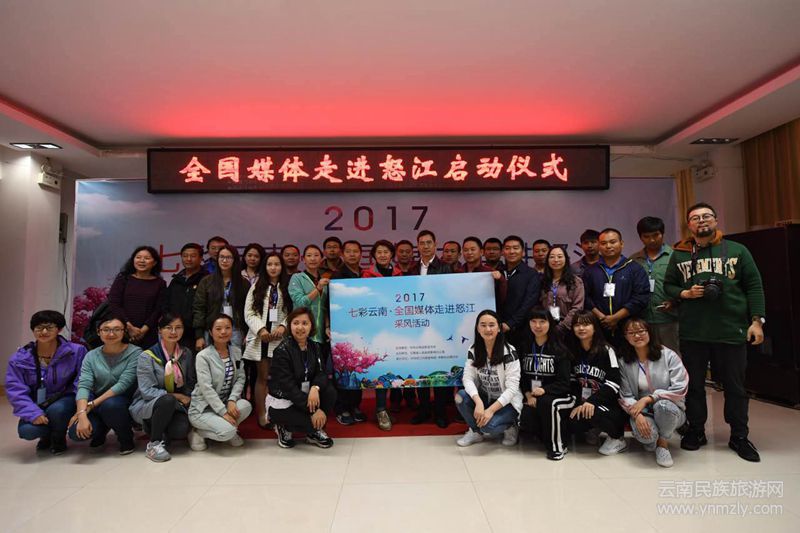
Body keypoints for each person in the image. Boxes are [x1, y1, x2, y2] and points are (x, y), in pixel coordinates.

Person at [663, 202, 765, 462]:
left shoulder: (737, 250)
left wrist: (757, 321)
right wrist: (685, 293)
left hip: (731, 330)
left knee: (735, 387)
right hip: (693, 331)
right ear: (689, 225)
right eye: (695, 218)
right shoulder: (680, 253)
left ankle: (739, 436)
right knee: (694, 386)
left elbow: (754, 285)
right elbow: (669, 286)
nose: (702, 220)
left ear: (716, 220)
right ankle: (696, 430)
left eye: (706, 216)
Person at [6, 310, 87, 455]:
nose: (43, 332)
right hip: (37, 402)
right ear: (33, 330)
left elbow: (82, 381)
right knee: (27, 431)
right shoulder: (20, 358)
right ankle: (46, 435)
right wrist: (32, 413)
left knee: (57, 410)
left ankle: (58, 437)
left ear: (59, 329)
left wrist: (80, 407)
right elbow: (15, 389)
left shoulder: (76, 351)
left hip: (66, 398)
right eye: (39, 328)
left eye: (49, 327)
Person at [618, 318, 688, 468]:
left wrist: (650, 398)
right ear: (626, 337)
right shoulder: (624, 362)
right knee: (647, 437)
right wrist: (637, 415)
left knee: (663, 406)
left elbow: (680, 388)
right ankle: (652, 438)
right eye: (632, 333)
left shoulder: (668, 355)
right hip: (642, 410)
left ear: (649, 332)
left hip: (670, 408)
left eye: (641, 331)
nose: (637, 335)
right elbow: (625, 395)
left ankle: (663, 444)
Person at [129, 313, 197, 462]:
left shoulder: (186, 353)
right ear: (160, 330)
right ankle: (153, 444)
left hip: (177, 406)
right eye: (168, 328)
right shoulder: (147, 356)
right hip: (148, 403)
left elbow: (190, 383)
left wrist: (189, 399)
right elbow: (147, 391)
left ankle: (158, 428)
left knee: (180, 430)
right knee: (167, 400)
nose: (173, 332)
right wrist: (178, 396)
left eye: (178, 327)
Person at [68, 316, 140, 454]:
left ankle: (125, 438)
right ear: (98, 332)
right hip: (98, 402)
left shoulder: (135, 353)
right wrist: (81, 413)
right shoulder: (91, 356)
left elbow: (123, 385)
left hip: (123, 402)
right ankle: (101, 430)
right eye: (106, 330)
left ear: (124, 331)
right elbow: (84, 385)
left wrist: (92, 405)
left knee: (111, 405)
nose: (111, 334)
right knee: (75, 433)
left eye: (116, 329)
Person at [267, 307, 337, 449]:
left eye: (305, 323)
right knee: (311, 420)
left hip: (305, 395)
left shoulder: (314, 346)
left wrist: (315, 388)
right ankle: (284, 426)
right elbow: (289, 388)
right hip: (285, 400)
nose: (300, 327)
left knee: (330, 392)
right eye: (296, 323)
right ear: (290, 326)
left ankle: (312, 431)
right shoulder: (281, 351)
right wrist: (314, 411)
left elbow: (322, 373)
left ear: (311, 326)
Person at [360, 239, 410, 430]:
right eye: (379, 252)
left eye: (386, 252)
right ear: (373, 255)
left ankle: (386, 407)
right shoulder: (366, 275)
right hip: (375, 329)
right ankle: (380, 409)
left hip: (396, 328)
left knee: (392, 368)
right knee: (380, 367)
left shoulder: (399, 274)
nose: (382, 255)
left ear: (391, 255)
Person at [455, 310, 522, 447]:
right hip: (485, 398)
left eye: (492, 325)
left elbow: (512, 389)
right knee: (460, 397)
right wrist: (478, 402)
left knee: (488, 427)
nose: (488, 329)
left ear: (499, 328)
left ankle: (510, 426)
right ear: (478, 328)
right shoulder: (474, 349)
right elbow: (467, 378)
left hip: (507, 403)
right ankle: (475, 432)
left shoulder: (509, 352)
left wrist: (490, 411)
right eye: (483, 325)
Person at [566, 311, 628, 455]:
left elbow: (614, 383)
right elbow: (573, 381)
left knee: (595, 413)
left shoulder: (607, 350)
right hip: (585, 402)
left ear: (595, 327)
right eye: (577, 325)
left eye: (586, 324)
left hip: (608, 403)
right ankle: (593, 428)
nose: (581, 328)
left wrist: (592, 401)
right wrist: (578, 403)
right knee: (570, 419)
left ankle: (617, 438)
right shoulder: (573, 350)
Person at [187, 314, 252, 450]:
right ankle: (198, 432)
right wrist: (224, 412)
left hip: (225, 403)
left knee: (245, 406)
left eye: (227, 328)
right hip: (203, 409)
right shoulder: (203, 356)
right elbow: (206, 388)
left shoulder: (236, 351)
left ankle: (227, 427)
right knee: (228, 432)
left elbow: (240, 378)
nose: (223, 332)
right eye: (218, 328)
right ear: (211, 332)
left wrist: (232, 400)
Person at [518, 307, 574, 460]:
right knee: (527, 416)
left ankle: (558, 447)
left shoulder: (560, 349)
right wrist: (528, 395)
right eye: (533, 321)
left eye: (542, 321)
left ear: (550, 323)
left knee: (548, 404)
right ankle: (544, 436)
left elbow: (564, 383)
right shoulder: (525, 346)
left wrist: (544, 390)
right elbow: (522, 376)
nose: (537, 326)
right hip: (533, 395)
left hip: (559, 395)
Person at [410, 230, 453, 427]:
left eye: (429, 242)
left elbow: (450, 295)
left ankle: (440, 412)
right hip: (418, 326)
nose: (425, 246)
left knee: (440, 370)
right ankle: (424, 409)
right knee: (421, 369)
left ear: (435, 245)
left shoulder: (446, 268)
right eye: (422, 243)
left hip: (440, 326)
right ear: (417, 246)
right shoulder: (412, 269)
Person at [243, 252, 291, 427]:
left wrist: (283, 326)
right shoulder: (257, 286)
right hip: (262, 339)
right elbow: (249, 313)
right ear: (265, 267)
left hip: (280, 338)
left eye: (277, 264)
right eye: (269, 264)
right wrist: (261, 330)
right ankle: (262, 415)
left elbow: (293, 311)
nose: (273, 267)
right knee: (262, 377)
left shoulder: (287, 286)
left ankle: (279, 413)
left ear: (282, 267)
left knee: (280, 378)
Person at [582, 228, 650, 348]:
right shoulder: (591, 271)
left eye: (612, 242)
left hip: (628, 326)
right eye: (603, 243)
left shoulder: (635, 268)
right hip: (599, 327)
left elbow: (641, 297)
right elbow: (585, 297)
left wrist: (616, 317)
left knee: (628, 357)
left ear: (621, 244)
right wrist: (601, 317)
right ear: (599, 246)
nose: (608, 246)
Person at [330, 240, 367, 426]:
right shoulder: (337, 276)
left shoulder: (365, 274)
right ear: (342, 255)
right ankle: (341, 408)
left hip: (362, 327)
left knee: (358, 366)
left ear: (361, 254)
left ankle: (355, 405)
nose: (352, 255)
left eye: (355, 251)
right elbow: (329, 304)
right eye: (348, 252)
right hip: (342, 328)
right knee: (343, 369)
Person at [631, 216, 680, 352]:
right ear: (640, 237)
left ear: (662, 234)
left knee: (672, 357)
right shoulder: (634, 260)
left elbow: (684, 285)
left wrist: (674, 302)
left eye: (656, 235)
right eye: (646, 236)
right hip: (642, 321)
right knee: (646, 357)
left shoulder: (676, 256)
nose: (652, 240)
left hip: (669, 319)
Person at [108, 245, 167, 348]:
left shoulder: (160, 283)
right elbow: (114, 304)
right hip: (122, 330)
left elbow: (158, 309)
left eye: (147, 258)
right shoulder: (123, 279)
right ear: (133, 260)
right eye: (138, 257)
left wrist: (144, 329)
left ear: (154, 263)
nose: (142, 261)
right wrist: (129, 326)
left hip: (148, 333)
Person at [193, 244, 249, 351]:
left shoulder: (243, 283)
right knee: (212, 359)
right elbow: (199, 308)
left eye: (228, 257)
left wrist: (247, 333)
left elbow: (247, 310)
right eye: (221, 257)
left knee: (235, 359)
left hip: (235, 330)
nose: (224, 260)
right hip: (212, 329)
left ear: (235, 260)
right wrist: (199, 336)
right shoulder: (207, 281)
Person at [498, 235, 541, 349]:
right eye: (507, 248)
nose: (511, 251)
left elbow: (529, 303)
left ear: (523, 252)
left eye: (515, 248)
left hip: (521, 330)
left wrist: (511, 323)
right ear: (502, 252)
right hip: (497, 329)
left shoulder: (531, 274)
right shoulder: (497, 272)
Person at [288, 244, 330, 349]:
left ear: (321, 259)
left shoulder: (325, 280)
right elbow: (300, 303)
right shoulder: (297, 278)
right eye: (309, 255)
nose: (313, 259)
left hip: (321, 334)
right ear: (303, 259)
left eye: (316, 255)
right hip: (302, 333)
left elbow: (325, 307)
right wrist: (318, 288)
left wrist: (327, 326)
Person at [166, 243, 207, 349]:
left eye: (193, 256)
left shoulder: (207, 279)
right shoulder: (176, 280)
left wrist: (199, 334)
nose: (188, 259)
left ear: (201, 258)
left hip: (196, 334)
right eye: (185, 256)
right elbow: (166, 304)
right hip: (174, 331)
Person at [540, 245, 584, 336]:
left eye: (560, 256)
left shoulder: (575, 281)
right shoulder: (542, 281)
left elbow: (577, 307)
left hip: (568, 328)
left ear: (566, 259)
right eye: (552, 257)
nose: (556, 260)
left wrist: (562, 326)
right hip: (546, 327)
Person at [461, 236, 507, 312]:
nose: (469, 253)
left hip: (486, 314)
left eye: (473, 249)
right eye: (466, 250)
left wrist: (501, 280)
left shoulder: (490, 273)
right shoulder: (457, 273)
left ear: (481, 252)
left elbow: (501, 298)